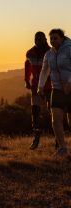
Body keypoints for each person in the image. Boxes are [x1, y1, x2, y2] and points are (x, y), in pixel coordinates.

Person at [38, 29, 71, 157]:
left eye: (55, 38)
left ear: (62, 38)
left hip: (70, 89)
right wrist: (40, 86)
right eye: (51, 39)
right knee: (55, 119)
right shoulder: (49, 54)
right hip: (56, 89)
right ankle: (63, 148)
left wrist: (69, 82)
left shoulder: (69, 49)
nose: (53, 41)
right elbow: (44, 70)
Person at [24, 31, 53, 150]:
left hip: (50, 86)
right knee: (35, 112)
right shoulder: (30, 52)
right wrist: (26, 80)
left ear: (45, 39)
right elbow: (27, 66)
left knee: (54, 112)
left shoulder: (51, 52)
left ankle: (57, 139)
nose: (38, 41)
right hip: (36, 86)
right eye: (36, 39)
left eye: (40, 39)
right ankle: (36, 137)